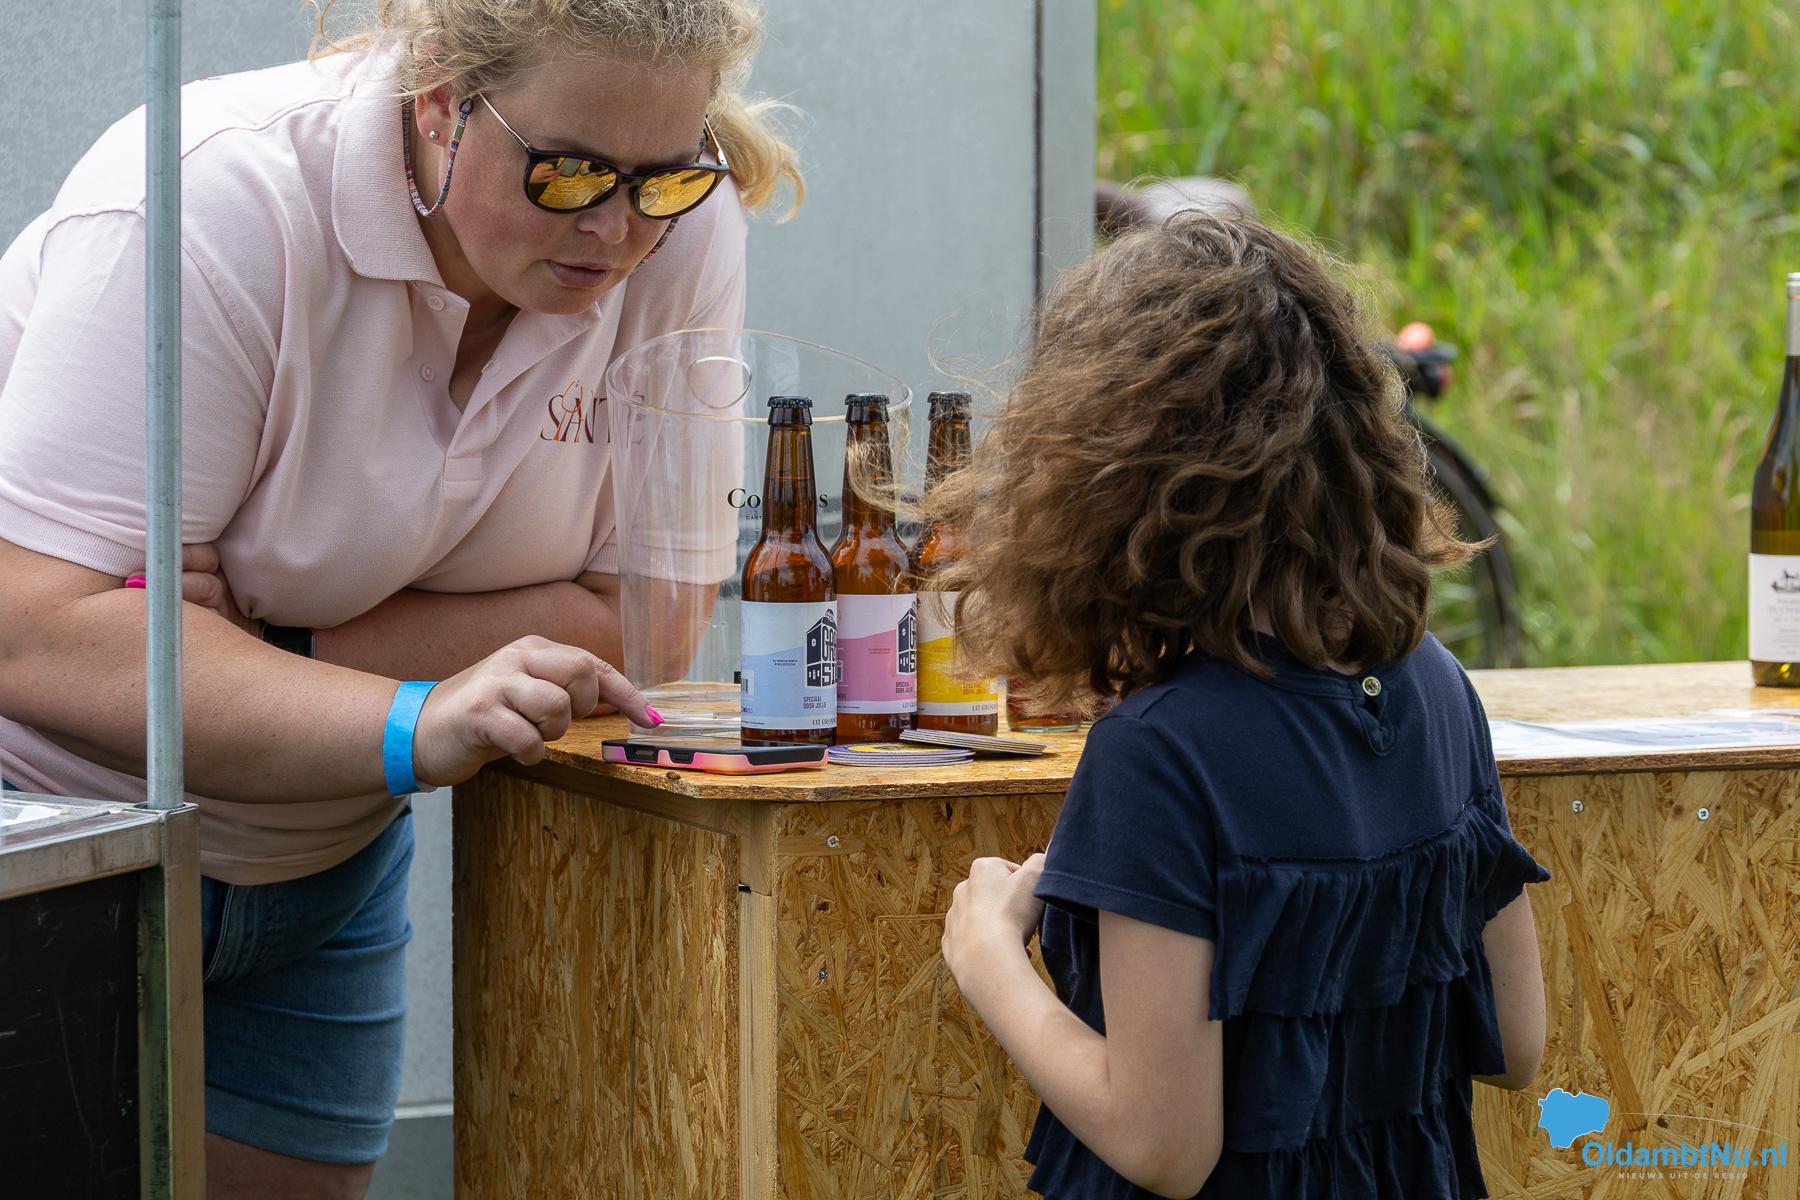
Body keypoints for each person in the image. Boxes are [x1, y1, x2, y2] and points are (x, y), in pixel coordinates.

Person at [0, 1, 800, 1195]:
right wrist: (414, 717)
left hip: (322, 857)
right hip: (60, 836)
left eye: (664, 178)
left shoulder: (683, 232)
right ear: (439, 104)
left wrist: (278, 637)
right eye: (569, 172)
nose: (617, 227)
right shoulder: (210, 201)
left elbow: (651, 623)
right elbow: (38, 631)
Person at [936, 212, 1551, 1198]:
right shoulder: (1438, 686)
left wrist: (988, 960)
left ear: (1113, 477)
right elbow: (1516, 1044)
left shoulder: (1161, 752)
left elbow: (1164, 1148)